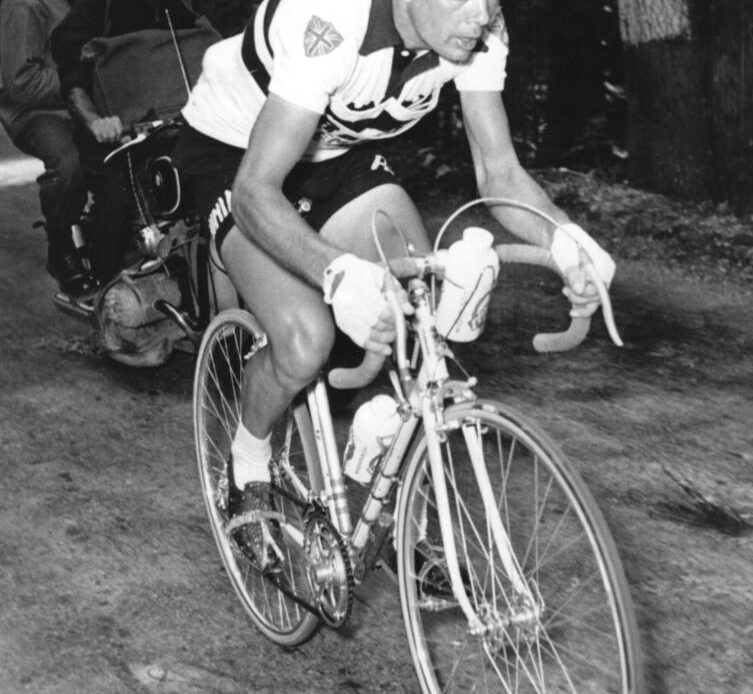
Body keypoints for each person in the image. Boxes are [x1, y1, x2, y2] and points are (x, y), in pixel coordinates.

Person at [171, 0, 617, 570]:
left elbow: (499, 171)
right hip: (237, 158)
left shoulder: (479, 27)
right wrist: (337, 275)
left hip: (339, 154)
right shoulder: (329, 18)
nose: (480, 14)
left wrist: (568, 243)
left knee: (422, 310)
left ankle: (389, 476)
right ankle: (249, 460)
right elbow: (258, 189)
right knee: (306, 340)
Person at [49, 0, 251, 285]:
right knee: (117, 204)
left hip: (191, 117)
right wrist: (95, 121)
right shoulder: (99, 7)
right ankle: (111, 297)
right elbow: (73, 76)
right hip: (118, 127)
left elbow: (239, 28)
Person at [0, 0, 93, 295]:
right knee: (70, 163)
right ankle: (61, 240)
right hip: (36, 112)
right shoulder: (22, 6)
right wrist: (83, 81)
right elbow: (22, 82)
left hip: (85, 96)